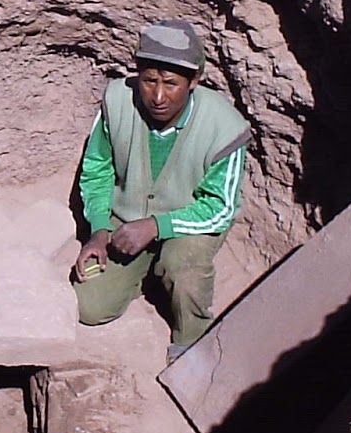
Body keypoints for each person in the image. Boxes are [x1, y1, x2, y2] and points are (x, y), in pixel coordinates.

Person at [71, 20, 250, 364]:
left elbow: (221, 208)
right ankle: (146, 272)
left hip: (187, 221)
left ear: (194, 81)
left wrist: (156, 227)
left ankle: (191, 338)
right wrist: (97, 231)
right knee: (89, 307)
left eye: (171, 84)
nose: (157, 96)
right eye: (149, 81)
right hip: (127, 217)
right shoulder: (116, 100)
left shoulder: (226, 128)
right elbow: (96, 170)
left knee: (183, 269)